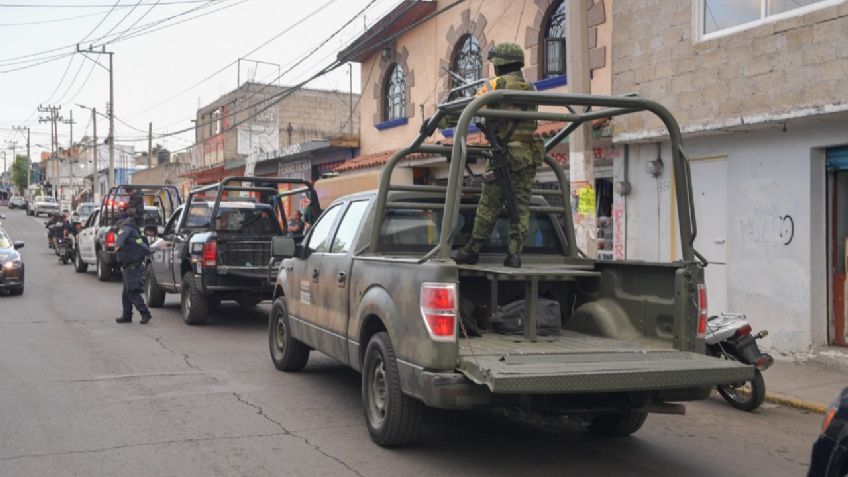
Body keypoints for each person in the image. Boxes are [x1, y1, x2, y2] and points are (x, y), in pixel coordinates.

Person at [450, 42, 545, 268]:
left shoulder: (495, 85)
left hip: (503, 155)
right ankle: (514, 254)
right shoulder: (531, 88)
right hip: (527, 156)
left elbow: (468, 109)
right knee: (520, 205)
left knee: (489, 205)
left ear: (500, 64)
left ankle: (472, 250)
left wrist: (444, 119)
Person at [114, 214, 153, 324]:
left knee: (131, 291)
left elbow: (122, 237)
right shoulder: (134, 232)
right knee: (126, 293)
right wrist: (148, 250)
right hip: (133, 265)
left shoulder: (124, 229)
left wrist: (118, 245)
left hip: (132, 266)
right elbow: (141, 243)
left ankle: (145, 313)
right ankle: (127, 315)